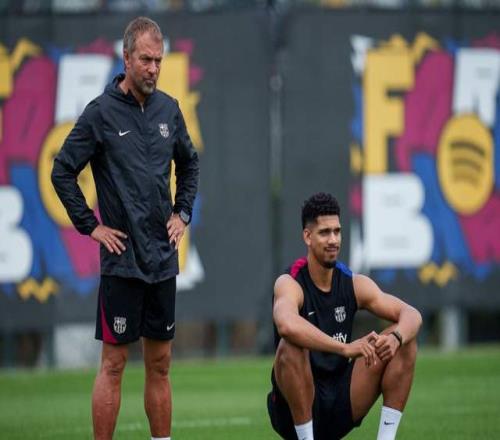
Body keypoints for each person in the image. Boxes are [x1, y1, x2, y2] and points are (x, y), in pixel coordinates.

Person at [51, 17, 199, 440]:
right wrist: (91, 227)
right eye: (146, 60)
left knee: (161, 365)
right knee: (113, 365)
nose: (153, 68)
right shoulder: (100, 113)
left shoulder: (169, 109)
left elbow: (189, 164)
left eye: (159, 60)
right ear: (126, 57)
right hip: (121, 261)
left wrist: (182, 213)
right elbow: (62, 171)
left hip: (162, 259)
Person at [267, 193, 422, 440]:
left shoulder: (352, 283)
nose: (333, 240)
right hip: (294, 414)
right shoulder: (290, 282)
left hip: (340, 401)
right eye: (324, 232)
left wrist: (395, 338)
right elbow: (286, 324)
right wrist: (345, 348)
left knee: (404, 339)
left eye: (337, 231)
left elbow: (412, 314)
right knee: (290, 347)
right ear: (307, 237)